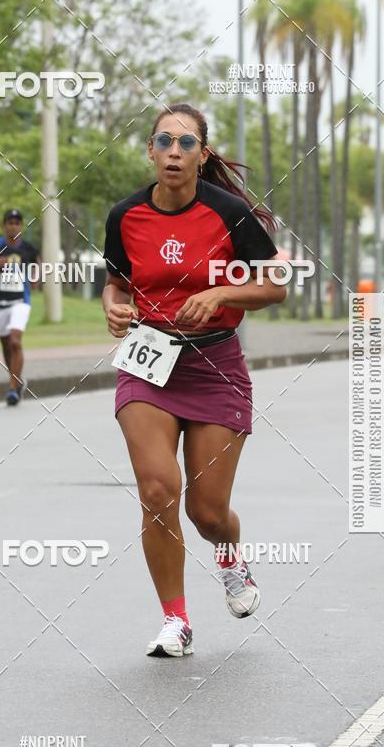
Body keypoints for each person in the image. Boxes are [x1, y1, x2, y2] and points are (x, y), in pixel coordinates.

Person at [102, 102, 286, 658]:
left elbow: (275, 285)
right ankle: (176, 620)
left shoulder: (228, 213)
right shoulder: (125, 215)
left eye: (185, 144)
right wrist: (114, 308)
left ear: (202, 155)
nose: (173, 153)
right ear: (151, 152)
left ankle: (229, 555)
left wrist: (220, 293)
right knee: (157, 490)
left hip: (215, 368)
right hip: (148, 362)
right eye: (163, 142)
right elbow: (115, 283)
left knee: (206, 512)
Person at [0, 209, 40, 406]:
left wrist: (35, 279)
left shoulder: (29, 249)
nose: (13, 226)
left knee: (15, 341)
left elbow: (38, 267)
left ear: (21, 226)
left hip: (20, 301)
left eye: (16, 222)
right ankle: (16, 380)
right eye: (9, 222)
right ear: (4, 225)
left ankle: (12, 388)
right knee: (6, 346)